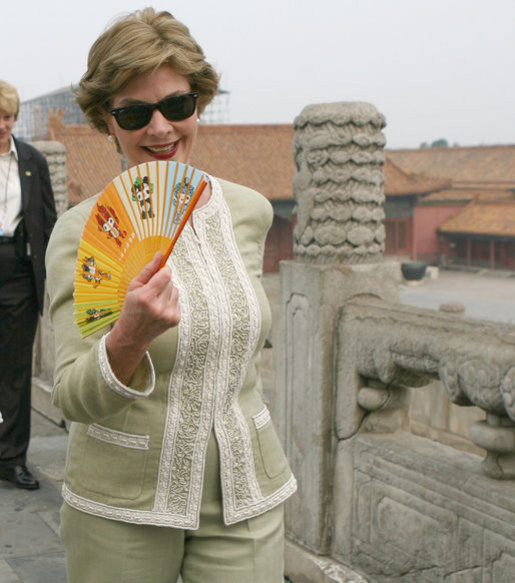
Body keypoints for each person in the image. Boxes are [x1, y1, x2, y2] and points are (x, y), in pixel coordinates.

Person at [45, 8, 296, 583]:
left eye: (177, 105)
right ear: (107, 123)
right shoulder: (84, 231)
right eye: (134, 112)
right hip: (121, 504)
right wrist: (128, 337)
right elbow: (72, 396)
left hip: (245, 493)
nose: (160, 128)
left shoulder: (248, 211)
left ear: (199, 103)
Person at [0, 81, 57, 490]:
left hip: (18, 272)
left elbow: (49, 220)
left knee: (15, 371)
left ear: (14, 118)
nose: (1, 125)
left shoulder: (33, 161)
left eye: (5, 117)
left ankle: (12, 458)